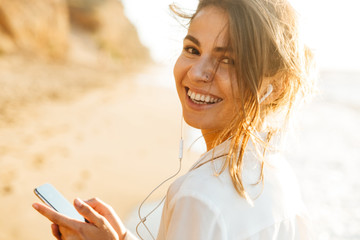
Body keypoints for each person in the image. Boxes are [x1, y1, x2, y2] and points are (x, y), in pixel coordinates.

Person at [32, 0, 315, 239]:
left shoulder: (198, 198)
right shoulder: (278, 174)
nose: (197, 73)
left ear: (274, 86)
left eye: (227, 60)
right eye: (193, 50)